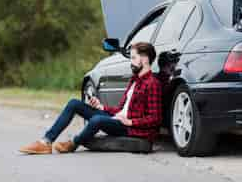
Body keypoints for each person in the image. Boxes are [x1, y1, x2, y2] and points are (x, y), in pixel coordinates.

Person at [19, 42, 162, 154]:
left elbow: (155, 118)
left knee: (97, 120)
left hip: (128, 128)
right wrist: (102, 107)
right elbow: (120, 110)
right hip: (118, 119)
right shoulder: (134, 80)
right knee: (74, 103)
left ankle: (73, 143)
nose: (131, 62)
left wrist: (130, 122)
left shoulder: (153, 84)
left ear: (144, 59)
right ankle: (46, 142)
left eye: (133, 58)